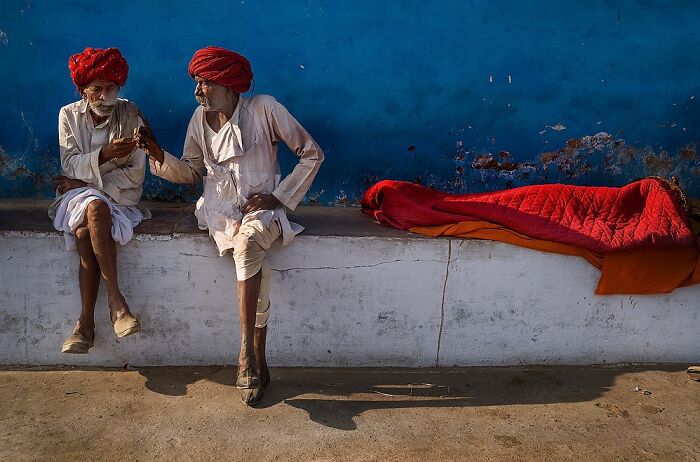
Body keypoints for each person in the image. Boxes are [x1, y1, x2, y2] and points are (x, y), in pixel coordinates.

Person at [136, 46, 323, 405]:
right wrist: (157, 154)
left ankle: (245, 354)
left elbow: (311, 153)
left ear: (228, 84)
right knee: (250, 257)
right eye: (196, 83)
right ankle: (259, 358)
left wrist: (280, 197)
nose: (197, 92)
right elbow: (192, 172)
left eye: (204, 83)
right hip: (220, 213)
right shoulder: (198, 118)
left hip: (262, 211)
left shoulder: (264, 107)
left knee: (250, 243)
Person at [50, 47, 149, 354]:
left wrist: (86, 179)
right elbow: (69, 163)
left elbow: (135, 174)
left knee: (85, 228)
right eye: (97, 90)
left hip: (119, 196)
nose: (106, 96)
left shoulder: (131, 113)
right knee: (94, 206)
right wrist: (105, 156)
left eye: (111, 89)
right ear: (83, 91)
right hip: (77, 197)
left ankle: (84, 325)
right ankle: (117, 303)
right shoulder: (68, 115)